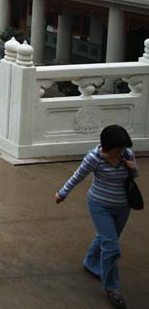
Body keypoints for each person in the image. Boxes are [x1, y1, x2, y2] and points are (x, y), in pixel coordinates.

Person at [56, 124, 139, 308]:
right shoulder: (94, 158)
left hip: (123, 206)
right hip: (99, 205)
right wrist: (62, 193)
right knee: (111, 246)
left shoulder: (127, 155)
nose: (121, 152)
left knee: (107, 238)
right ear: (108, 146)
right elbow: (78, 176)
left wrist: (132, 168)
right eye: (118, 148)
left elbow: (135, 176)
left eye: (123, 148)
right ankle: (112, 288)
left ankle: (91, 262)